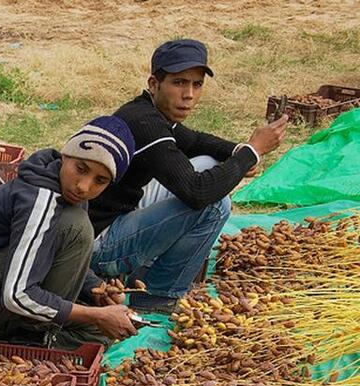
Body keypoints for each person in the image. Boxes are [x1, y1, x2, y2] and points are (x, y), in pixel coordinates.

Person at [88, 39, 288, 312]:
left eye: (197, 84)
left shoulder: (149, 111)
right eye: (179, 83)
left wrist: (240, 152)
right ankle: (159, 295)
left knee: (206, 163)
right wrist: (252, 152)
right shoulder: (145, 123)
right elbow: (197, 193)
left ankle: (145, 271)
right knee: (214, 205)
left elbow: (194, 141)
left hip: (114, 216)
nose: (189, 95)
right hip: (97, 245)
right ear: (154, 84)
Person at [0, 117, 139, 347]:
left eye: (99, 181)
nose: (83, 186)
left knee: (103, 333)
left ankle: (29, 336)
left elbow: (51, 254)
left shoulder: (67, 189)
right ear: (66, 155)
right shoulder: (41, 198)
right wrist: (94, 315)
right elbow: (16, 295)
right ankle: (31, 335)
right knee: (76, 227)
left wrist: (96, 290)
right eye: (81, 169)